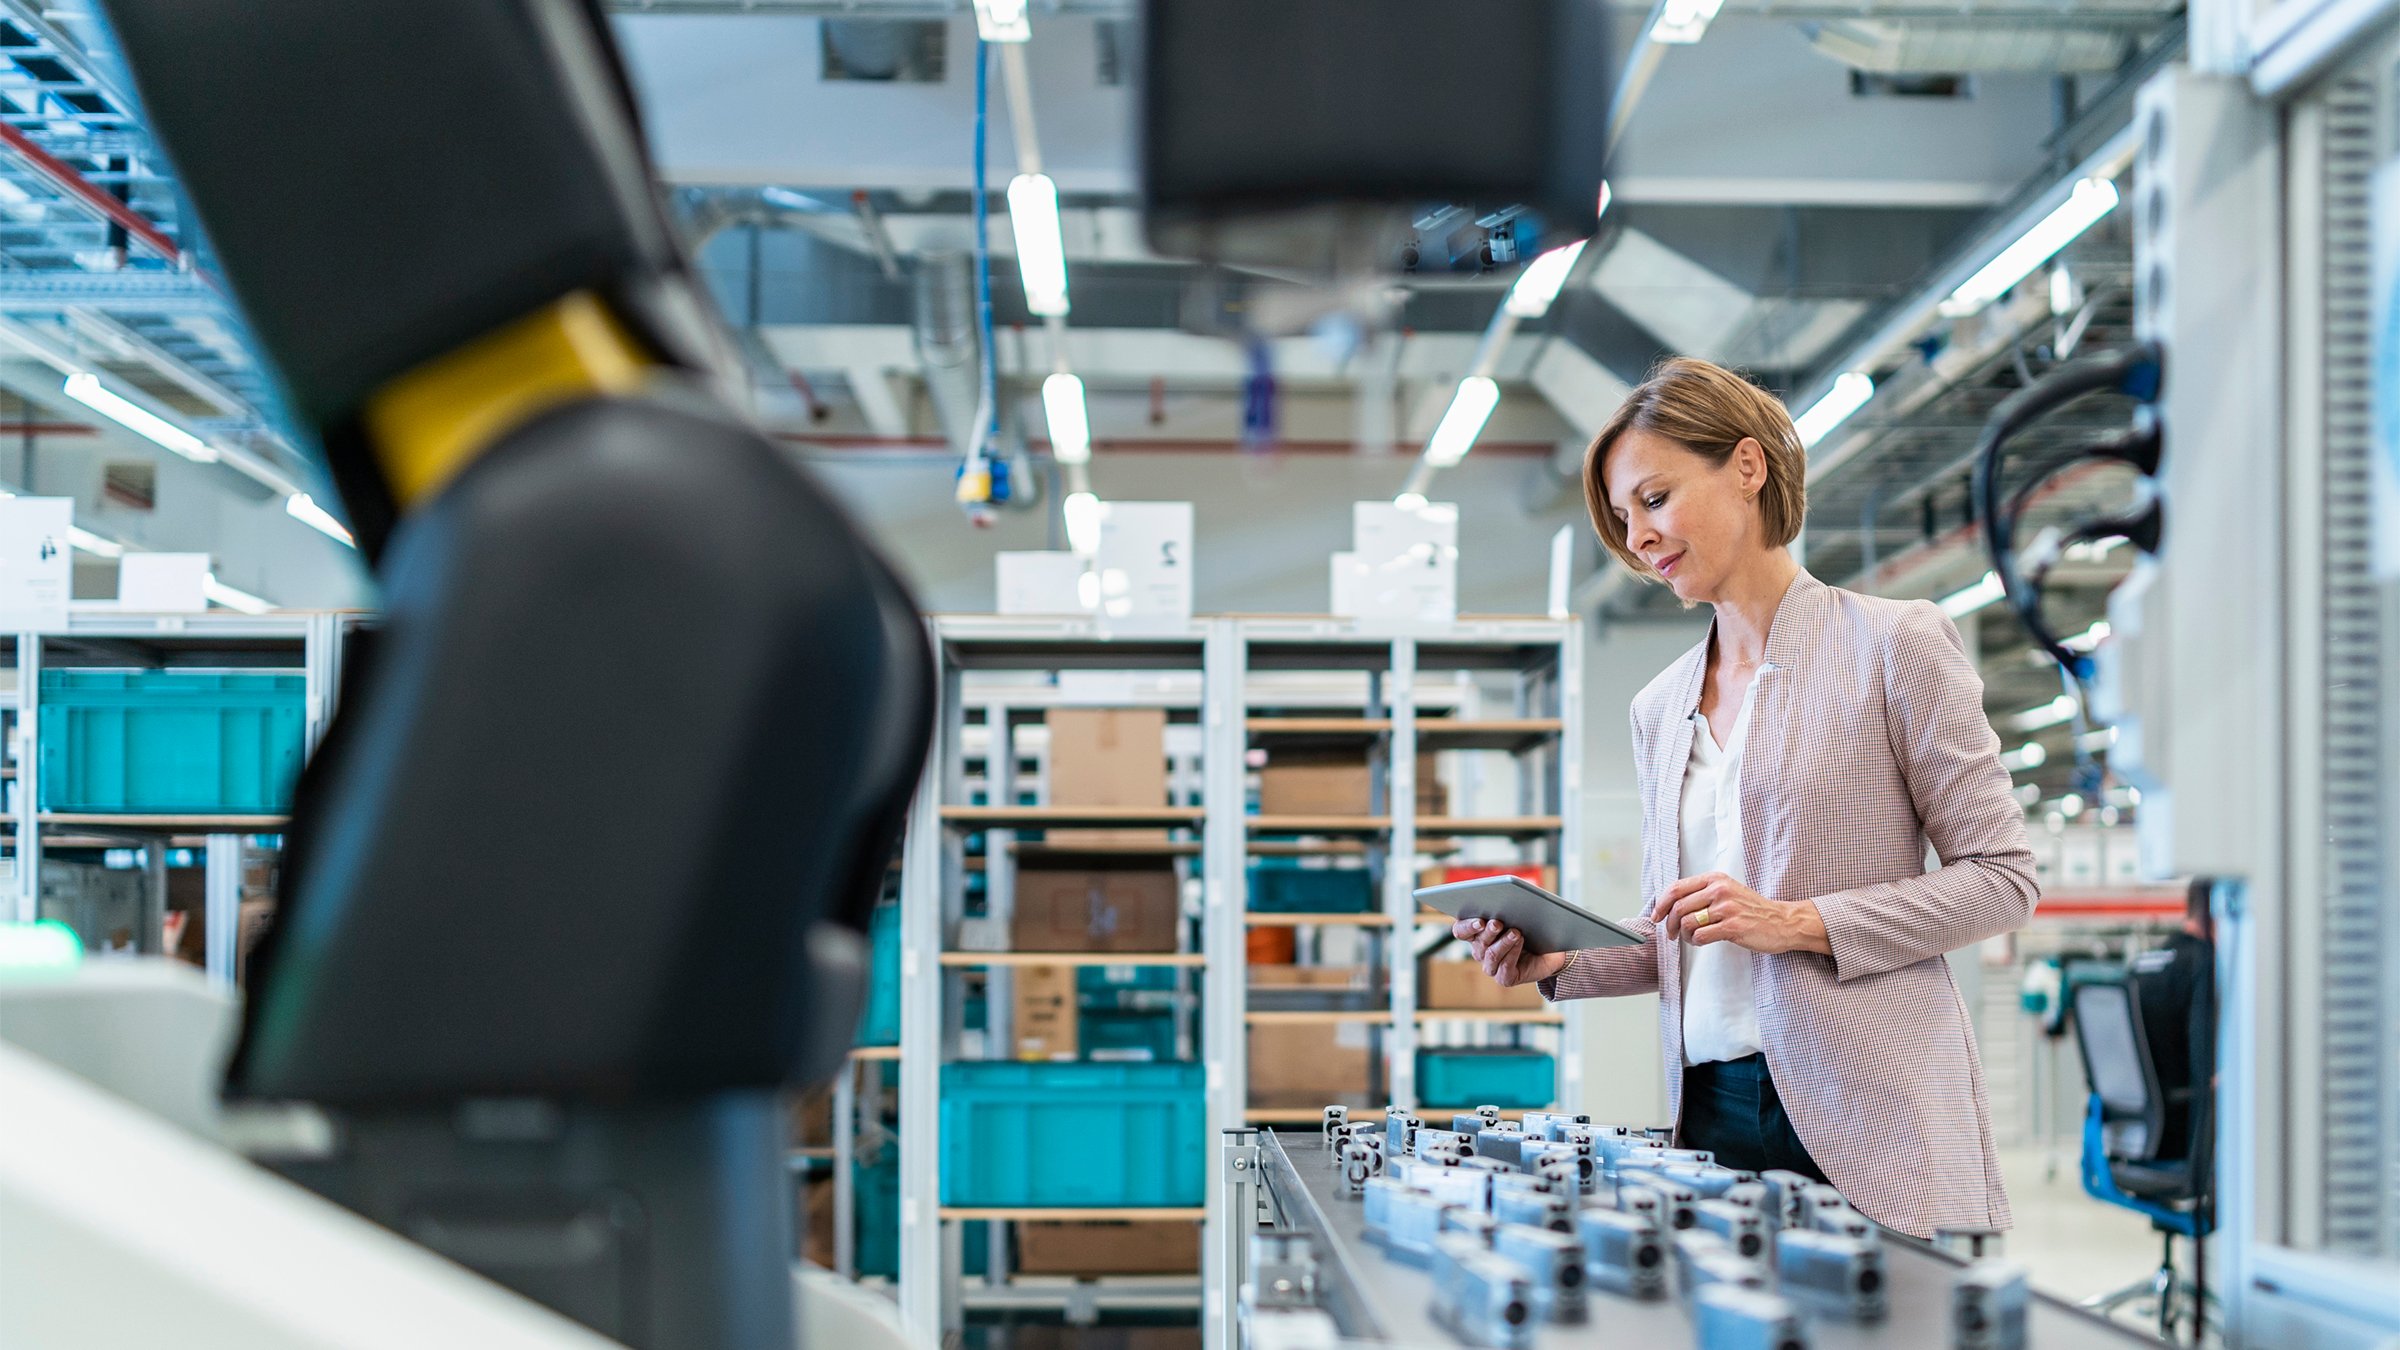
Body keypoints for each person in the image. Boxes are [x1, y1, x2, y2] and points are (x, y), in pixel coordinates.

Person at [1456, 357, 2038, 1238]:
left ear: (1747, 466)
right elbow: (1689, 935)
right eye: (1622, 519)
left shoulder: (1893, 645)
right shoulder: (1660, 707)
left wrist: (1800, 923)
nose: (1639, 537)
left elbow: (2003, 876)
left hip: (1867, 1108)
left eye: (1654, 498)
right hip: (1712, 1110)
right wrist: (1559, 963)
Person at [2128, 878, 2216, 1163]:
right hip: (2186, 1129)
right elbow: (2206, 1065)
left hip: (2138, 1130)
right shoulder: (2206, 962)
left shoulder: (2140, 964)